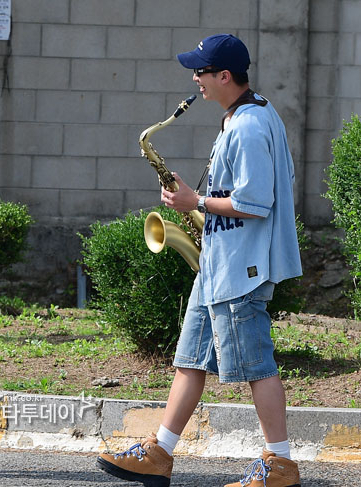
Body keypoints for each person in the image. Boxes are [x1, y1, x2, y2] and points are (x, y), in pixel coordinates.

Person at [97, 34, 303, 487]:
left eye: (201, 72)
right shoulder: (249, 114)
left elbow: (257, 202)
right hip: (220, 264)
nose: (195, 80)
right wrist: (196, 202)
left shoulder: (248, 126)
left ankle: (281, 465)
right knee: (190, 360)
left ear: (224, 76)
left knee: (257, 367)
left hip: (241, 269)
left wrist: (197, 201)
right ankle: (160, 454)